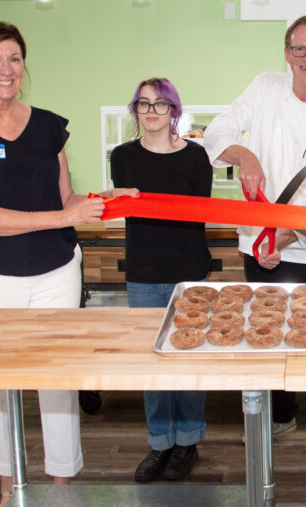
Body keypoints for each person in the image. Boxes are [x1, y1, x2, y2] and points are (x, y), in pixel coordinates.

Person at [0, 21, 138, 505]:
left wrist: (107, 200)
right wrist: (62, 215)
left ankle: (62, 485)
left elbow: (66, 197)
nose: (6, 69)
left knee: (59, 378)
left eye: (15, 58)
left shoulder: (49, 126)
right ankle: (10, 485)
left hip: (55, 268)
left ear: (24, 67)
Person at [204, 15, 306, 487]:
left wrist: (281, 238)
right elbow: (218, 128)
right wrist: (244, 155)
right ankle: (281, 414)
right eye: (299, 49)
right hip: (257, 245)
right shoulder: (264, 88)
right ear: (287, 53)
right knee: (265, 332)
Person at [111, 77, 212, 483]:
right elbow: (127, 208)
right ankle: (160, 443)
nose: (151, 112)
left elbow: (197, 212)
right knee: (151, 361)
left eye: (160, 104)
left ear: (174, 111)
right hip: (144, 272)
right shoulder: (122, 156)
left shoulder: (196, 158)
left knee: (188, 359)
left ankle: (187, 443)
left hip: (189, 271)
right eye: (144, 104)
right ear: (135, 110)